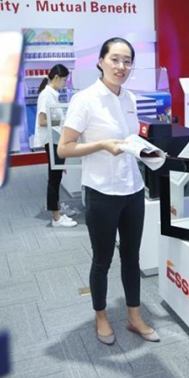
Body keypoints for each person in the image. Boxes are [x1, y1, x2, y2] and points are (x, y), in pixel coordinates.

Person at [57, 37, 159, 345]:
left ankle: (134, 316)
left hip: (132, 189)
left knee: (131, 257)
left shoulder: (130, 98)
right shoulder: (85, 100)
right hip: (101, 192)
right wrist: (102, 144)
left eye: (127, 61)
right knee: (102, 260)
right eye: (115, 59)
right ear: (101, 61)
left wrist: (146, 151)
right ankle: (100, 316)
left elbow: (129, 139)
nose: (121, 66)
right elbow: (64, 148)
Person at [34, 64, 77, 228]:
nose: (65, 84)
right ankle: (56, 217)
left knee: (56, 177)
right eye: (64, 80)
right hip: (52, 140)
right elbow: (42, 120)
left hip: (56, 139)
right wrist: (64, 121)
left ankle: (57, 208)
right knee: (54, 178)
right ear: (57, 78)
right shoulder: (47, 95)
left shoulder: (51, 93)